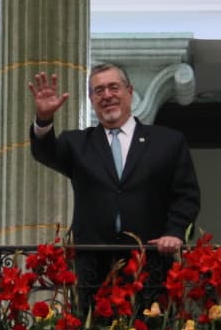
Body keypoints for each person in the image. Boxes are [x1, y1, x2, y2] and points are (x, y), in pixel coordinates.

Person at [28, 63, 200, 312]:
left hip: (150, 262)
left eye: (113, 87)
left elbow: (187, 195)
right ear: (91, 99)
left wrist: (175, 232)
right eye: (98, 91)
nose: (107, 95)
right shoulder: (77, 143)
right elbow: (44, 152)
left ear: (129, 91)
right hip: (93, 269)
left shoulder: (168, 142)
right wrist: (44, 119)